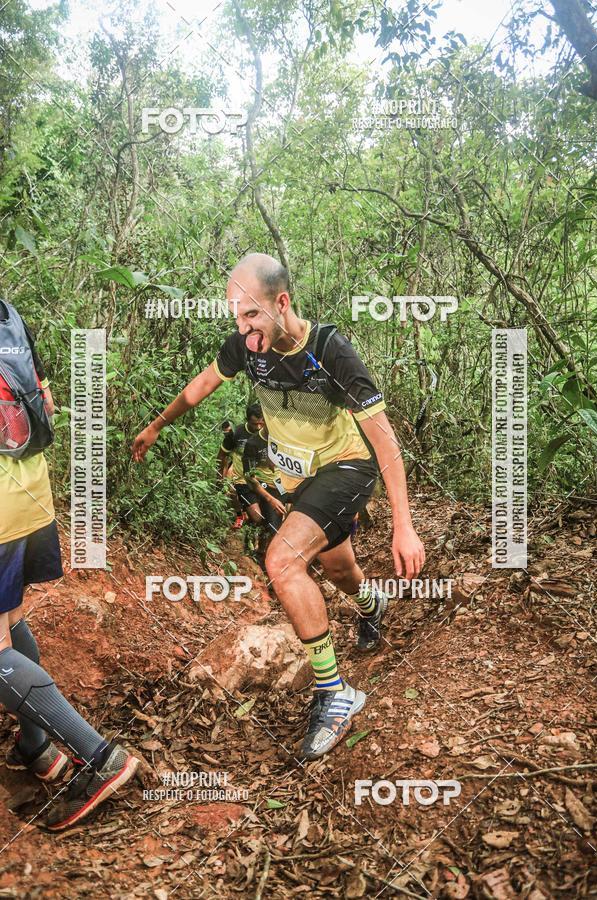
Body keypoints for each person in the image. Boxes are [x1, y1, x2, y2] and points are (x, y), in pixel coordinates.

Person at [132, 253, 425, 760]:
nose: (243, 329)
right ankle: (371, 604)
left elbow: (384, 438)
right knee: (338, 567)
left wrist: (405, 524)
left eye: (251, 316)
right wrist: (158, 423)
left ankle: (334, 694)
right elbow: (200, 386)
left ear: (281, 303)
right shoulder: (247, 349)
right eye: (235, 317)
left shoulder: (331, 350)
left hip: (347, 468)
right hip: (298, 482)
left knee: (282, 561)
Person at [0, 299, 139, 830]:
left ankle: (100, 758)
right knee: (9, 621)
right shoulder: (10, 312)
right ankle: (38, 748)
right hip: (29, 491)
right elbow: (47, 403)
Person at [241, 422, 286, 558]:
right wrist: (270, 499)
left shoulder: (284, 439)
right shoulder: (253, 443)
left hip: (277, 486)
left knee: (273, 527)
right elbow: (250, 477)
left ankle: (262, 553)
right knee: (257, 517)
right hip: (256, 486)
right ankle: (247, 546)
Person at [217, 404, 263, 528]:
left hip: (264, 479)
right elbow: (222, 455)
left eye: (261, 424)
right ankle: (240, 515)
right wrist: (220, 476)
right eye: (254, 424)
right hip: (242, 479)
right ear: (247, 420)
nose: (258, 427)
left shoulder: (269, 433)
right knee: (233, 492)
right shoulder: (237, 433)